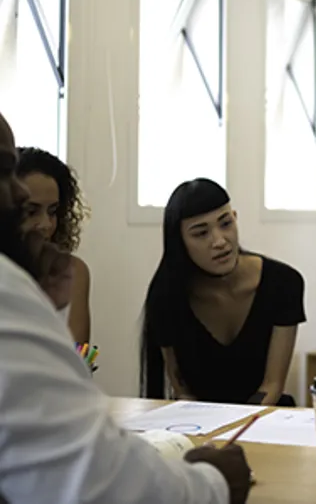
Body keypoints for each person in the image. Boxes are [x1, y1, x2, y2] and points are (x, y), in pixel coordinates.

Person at [0, 113, 251, 503]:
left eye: (53, 211)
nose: (38, 220)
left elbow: (74, 367)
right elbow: (89, 477)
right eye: (4, 173)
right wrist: (212, 485)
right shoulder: (10, 287)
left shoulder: (63, 276)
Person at [140, 178, 305, 406]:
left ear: (235, 218)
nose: (219, 241)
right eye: (201, 233)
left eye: (225, 223)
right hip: (200, 422)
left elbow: (272, 385)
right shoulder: (166, 298)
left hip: (264, 418)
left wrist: (236, 430)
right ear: (180, 242)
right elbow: (183, 391)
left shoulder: (283, 283)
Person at [16, 147, 92, 344]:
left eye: (52, 211)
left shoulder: (74, 272)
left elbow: (78, 357)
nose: (46, 224)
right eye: (31, 212)